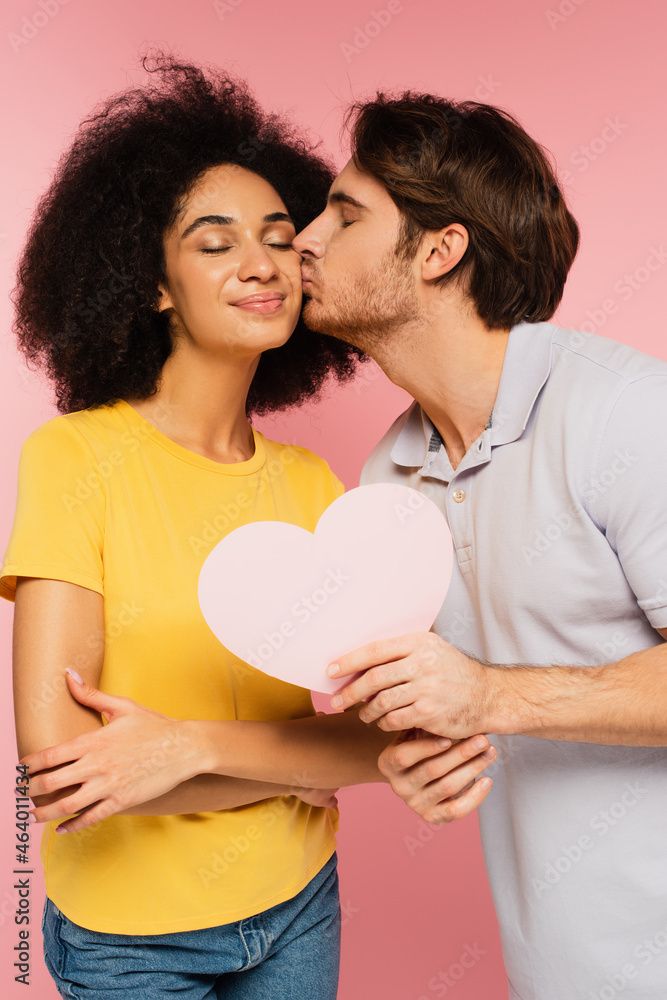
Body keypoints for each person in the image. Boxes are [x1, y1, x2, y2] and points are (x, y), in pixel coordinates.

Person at [4, 60, 496, 1000]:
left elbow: (377, 740)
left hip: (299, 902)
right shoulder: (73, 459)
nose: (262, 263)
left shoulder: (313, 486)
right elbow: (65, 771)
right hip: (130, 937)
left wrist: (185, 751)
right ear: (151, 284)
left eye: (279, 237)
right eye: (214, 242)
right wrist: (295, 766)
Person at [289, 93, 667, 1000]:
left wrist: (491, 695)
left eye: (343, 214)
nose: (303, 238)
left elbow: (488, 693)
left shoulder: (626, 412)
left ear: (437, 250)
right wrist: (417, 754)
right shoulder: (387, 476)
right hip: (556, 972)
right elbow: (433, 713)